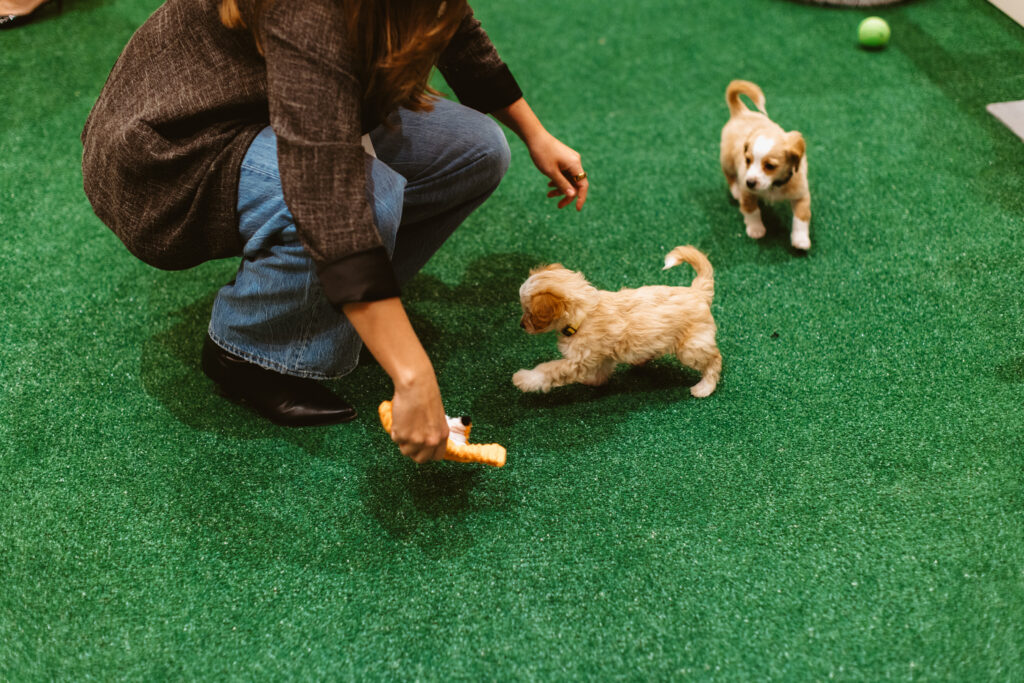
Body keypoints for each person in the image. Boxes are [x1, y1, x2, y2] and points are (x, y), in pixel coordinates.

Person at [81, 0, 589, 464]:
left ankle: (342, 308)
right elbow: (326, 192)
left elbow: (450, 22)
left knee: (478, 149)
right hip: (174, 147)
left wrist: (534, 134)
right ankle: (248, 352)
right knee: (367, 199)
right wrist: (412, 374)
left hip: (273, 106)